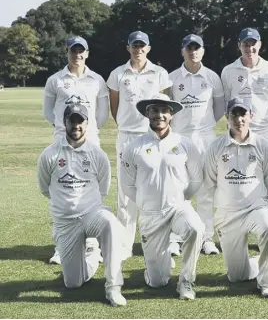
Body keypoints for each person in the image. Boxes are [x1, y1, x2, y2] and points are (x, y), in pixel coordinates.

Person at [37, 104, 126, 306]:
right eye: (72, 121)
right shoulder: (49, 154)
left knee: (110, 223)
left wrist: (86, 207)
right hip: (66, 222)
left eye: (80, 121)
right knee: (73, 283)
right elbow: (44, 188)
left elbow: (103, 189)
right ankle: (92, 254)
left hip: (91, 215)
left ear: (87, 123)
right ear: (64, 122)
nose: (76, 125)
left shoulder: (97, 154)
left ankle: (113, 287)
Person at [119, 94, 205, 300]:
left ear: (171, 114)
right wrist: (146, 203)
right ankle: (159, 266)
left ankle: (186, 281)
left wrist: (180, 198)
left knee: (195, 228)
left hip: (177, 208)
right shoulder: (134, 147)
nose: (160, 115)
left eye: (164, 111)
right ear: (147, 113)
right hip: (150, 215)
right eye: (155, 110)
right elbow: (128, 185)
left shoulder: (185, 144)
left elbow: (196, 179)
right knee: (158, 282)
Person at [203, 97, 268, 298]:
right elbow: (210, 181)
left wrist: (258, 202)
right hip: (228, 215)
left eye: (243, 114)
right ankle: (260, 261)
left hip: (255, 208)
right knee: (237, 277)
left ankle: (267, 283)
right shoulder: (216, 147)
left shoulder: (263, 146)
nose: (239, 119)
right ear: (226, 118)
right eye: (234, 114)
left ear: (251, 116)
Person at [42, 35, 108, 265]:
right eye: (73, 50)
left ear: (87, 53)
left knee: (91, 190)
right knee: (63, 190)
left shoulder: (97, 80)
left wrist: (88, 131)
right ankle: (62, 245)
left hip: (90, 142)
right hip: (62, 141)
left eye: (81, 51)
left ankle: (92, 245)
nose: (77, 54)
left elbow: (102, 114)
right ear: (67, 52)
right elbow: (48, 111)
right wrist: (62, 128)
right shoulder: (55, 80)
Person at [106, 31, 172, 260]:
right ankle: (124, 246)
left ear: (148, 48)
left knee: (155, 190)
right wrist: (126, 125)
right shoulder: (117, 74)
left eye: (142, 46)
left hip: (151, 136)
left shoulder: (160, 73)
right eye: (135, 45)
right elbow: (115, 107)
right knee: (125, 193)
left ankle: (157, 245)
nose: (138, 49)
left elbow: (164, 107)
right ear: (128, 48)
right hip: (126, 136)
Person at [168, 34, 225, 256]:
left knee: (206, 190)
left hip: (205, 138)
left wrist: (205, 128)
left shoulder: (212, 77)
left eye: (197, 48)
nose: (193, 51)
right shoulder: (172, 77)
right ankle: (175, 237)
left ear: (203, 51)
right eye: (188, 48)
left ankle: (206, 237)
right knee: (178, 189)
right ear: (182, 51)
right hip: (180, 138)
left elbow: (218, 109)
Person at [221, 27, 268, 213]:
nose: (249, 48)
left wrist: (258, 122)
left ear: (260, 44)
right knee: (238, 176)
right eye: (245, 44)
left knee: (266, 177)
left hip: (263, 132)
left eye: (253, 44)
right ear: (239, 46)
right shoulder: (229, 71)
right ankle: (238, 218)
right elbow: (226, 102)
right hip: (236, 133)